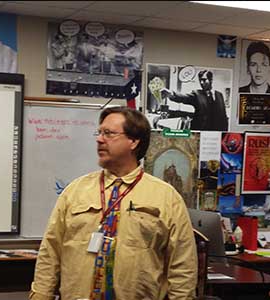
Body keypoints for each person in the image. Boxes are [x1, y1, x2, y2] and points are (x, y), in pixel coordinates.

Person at [30, 106, 197, 300]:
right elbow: (50, 251)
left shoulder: (166, 198)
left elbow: (183, 265)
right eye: (99, 132)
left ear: (134, 141)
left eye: (108, 133)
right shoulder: (75, 192)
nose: (99, 139)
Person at [161, 69, 228, 131]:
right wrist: (171, 94)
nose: (201, 83)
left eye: (204, 80)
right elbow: (185, 98)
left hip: (217, 133)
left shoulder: (220, 95)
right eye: (200, 80)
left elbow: (223, 116)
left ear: (211, 80)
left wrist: (225, 132)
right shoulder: (197, 94)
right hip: (200, 131)